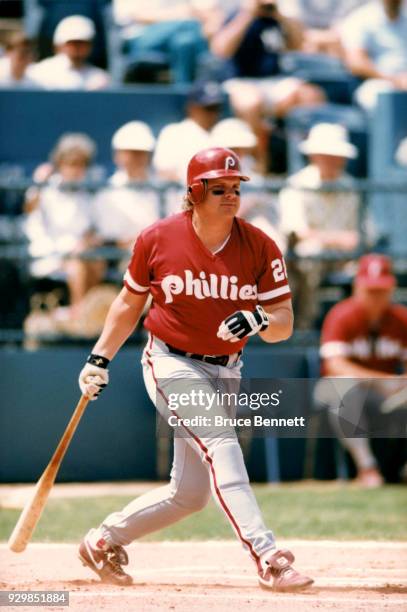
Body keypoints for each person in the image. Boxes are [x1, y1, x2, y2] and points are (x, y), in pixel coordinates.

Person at [77, 146, 313, 591]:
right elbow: (129, 303)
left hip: (227, 368)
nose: (230, 195)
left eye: (235, 187)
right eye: (218, 188)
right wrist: (98, 358)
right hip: (171, 360)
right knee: (222, 444)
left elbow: (284, 324)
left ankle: (103, 539)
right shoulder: (158, 237)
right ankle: (269, 558)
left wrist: (261, 319)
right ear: (195, 192)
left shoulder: (260, 245)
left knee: (189, 496)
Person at [315, 253, 407, 487]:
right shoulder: (342, 315)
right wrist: (383, 381)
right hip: (336, 392)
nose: (375, 297)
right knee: (343, 386)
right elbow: (335, 366)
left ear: (391, 289)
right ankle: (367, 468)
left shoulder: (400, 319)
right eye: (370, 290)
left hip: (383, 396)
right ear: (357, 287)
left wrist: (399, 383)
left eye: (381, 291)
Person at [210, 0, 326, 170]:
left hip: (274, 81)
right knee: (251, 102)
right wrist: (248, 14)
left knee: (312, 95)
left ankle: (309, 164)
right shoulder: (237, 12)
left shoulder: (276, 17)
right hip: (242, 81)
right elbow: (220, 49)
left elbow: (299, 44)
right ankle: (260, 165)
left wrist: (280, 16)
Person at [279, 123, 363, 328]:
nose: (333, 160)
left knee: (372, 266)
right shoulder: (296, 185)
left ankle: (354, 329)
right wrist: (338, 239)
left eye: (337, 155)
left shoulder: (352, 187)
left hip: (346, 257)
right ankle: (305, 326)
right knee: (311, 253)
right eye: (326, 154)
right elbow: (298, 233)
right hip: (308, 258)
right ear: (314, 156)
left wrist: (336, 240)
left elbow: (359, 237)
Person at [24, 133, 103, 320]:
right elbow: (29, 207)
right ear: (59, 164)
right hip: (50, 253)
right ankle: (78, 317)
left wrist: (86, 242)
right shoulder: (45, 188)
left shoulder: (87, 195)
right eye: (71, 164)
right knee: (76, 265)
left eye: (81, 164)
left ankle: (89, 317)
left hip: (80, 253)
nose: (76, 169)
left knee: (99, 261)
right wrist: (39, 184)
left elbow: (93, 230)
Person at [113, 0, 222, 83]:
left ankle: (182, 94)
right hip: (139, 40)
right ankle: (211, 79)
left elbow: (210, 14)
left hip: (178, 39)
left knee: (184, 42)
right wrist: (182, 15)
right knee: (191, 24)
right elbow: (137, 16)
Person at [92, 121, 160, 251]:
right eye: (131, 152)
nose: (137, 158)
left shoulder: (162, 188)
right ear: (117, 156)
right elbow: (110, 236)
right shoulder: (107, 192)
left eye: (141, 153)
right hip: (126, 259)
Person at [153, 80, 226, 183]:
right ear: (192, 108)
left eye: (216, 108)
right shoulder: (174, 133)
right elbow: (164, 172)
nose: (213, 114)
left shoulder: (226, 133)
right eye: (208, 108)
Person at [340, 0, 407, 111]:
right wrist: (395, 80)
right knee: (378, 96)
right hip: (378, 82)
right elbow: (356, 63)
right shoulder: (361, 18)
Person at [29, 15, 110, 90]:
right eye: (72, 43)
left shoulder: (99, 77)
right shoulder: (39, 72)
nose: (77, 47)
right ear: (59, 45)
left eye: (82, 43)